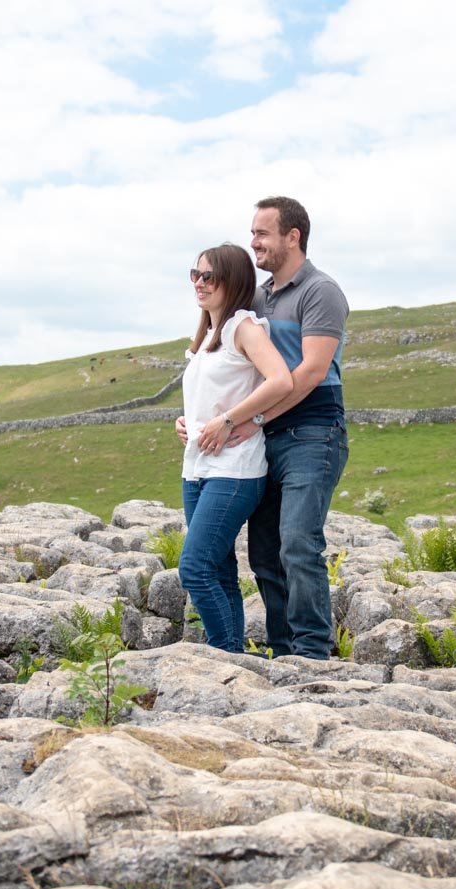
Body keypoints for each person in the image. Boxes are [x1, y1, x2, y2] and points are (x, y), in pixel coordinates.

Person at [236, 196, 350, 659]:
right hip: (265, 436)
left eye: (262, 233)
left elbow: (310, 372)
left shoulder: (320, 291)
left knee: (299, 543)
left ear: (292, 236)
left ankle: (313, 652)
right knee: (264, 552)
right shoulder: (258, 297)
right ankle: (284, 651)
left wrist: (253, 418)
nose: (253, 242)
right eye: (252, 232)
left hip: (313, 430)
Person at [178, 242, 292, 653]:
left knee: (194, 567)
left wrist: (229, 421)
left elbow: (281, 380)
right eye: (195, 274)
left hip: (236, 469)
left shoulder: (243, 326)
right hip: (198, 467)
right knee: (219, 567)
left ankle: (224, 653)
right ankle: (231, 655)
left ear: (233, 281)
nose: (199, 283)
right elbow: (213, 394)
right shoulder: (208, 333)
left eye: (209, 276)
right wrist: (188, 422)